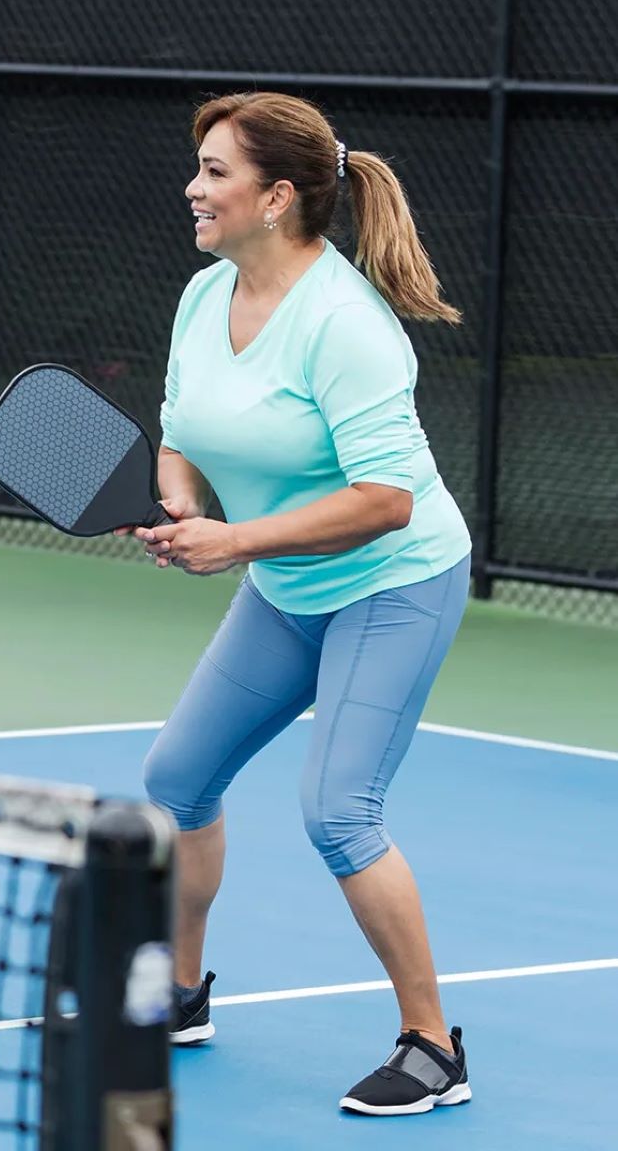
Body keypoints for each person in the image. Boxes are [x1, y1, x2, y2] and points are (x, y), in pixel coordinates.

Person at [133, 92, 475, 1114]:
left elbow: (385, 500)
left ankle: (430, 1046)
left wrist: (232, 539)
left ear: (276, 197)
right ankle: (179, 994)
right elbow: (181, 423)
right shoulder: (205, 297)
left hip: (394, 583)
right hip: (288, 587)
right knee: (178, 777)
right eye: (197, 168)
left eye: (215, 172)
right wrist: (180, 496)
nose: (194, 188)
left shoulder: (343, 326)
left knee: (338, 812)